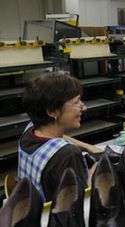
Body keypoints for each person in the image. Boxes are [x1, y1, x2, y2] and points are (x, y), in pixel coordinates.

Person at [18, 72, 98, 202]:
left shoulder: (30, 131)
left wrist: (89, 147)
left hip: (31, 211)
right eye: (76, 102)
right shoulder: (68, 155)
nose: (84, 107)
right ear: (52, 111)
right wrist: (91, 176)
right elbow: (79, 206)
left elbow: (59, 141)